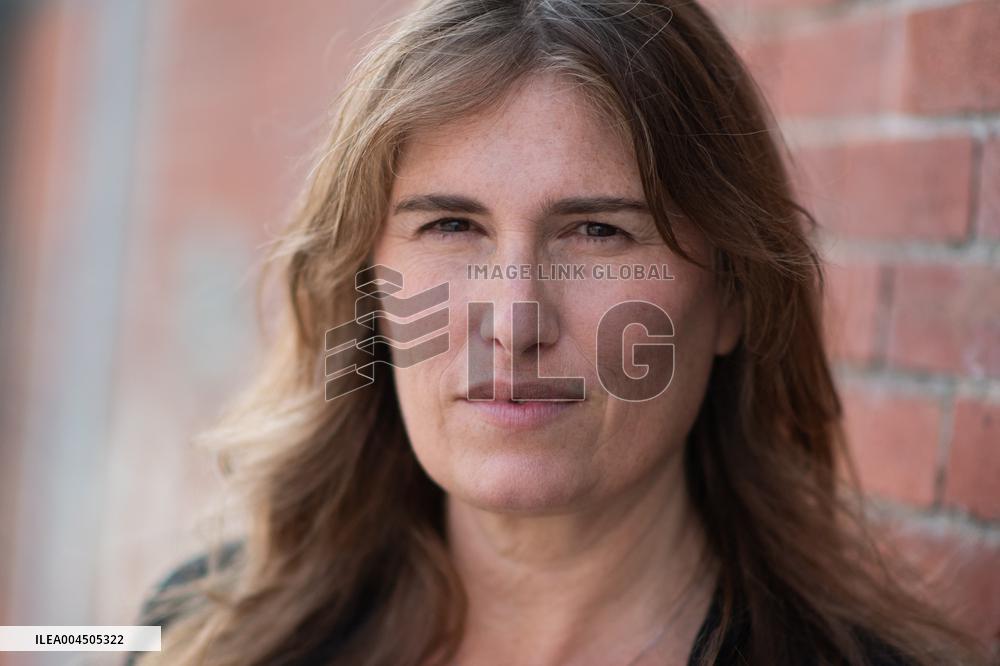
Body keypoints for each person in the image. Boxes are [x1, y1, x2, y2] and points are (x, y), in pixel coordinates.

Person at [129, 1, 987, 664]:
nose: (514, 324)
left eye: (598, 232)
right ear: (369, 291)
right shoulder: (200, 628)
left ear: (732, 297)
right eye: (451, 228)